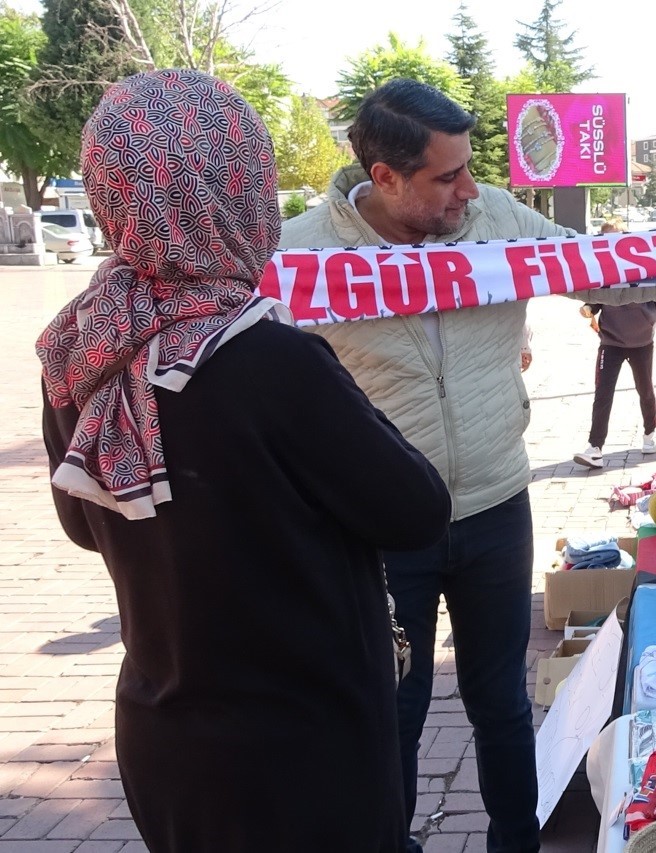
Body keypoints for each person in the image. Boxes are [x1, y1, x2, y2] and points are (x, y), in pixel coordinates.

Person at [36, 70, 450, 852]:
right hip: (300, 753)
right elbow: (415, 508)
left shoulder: (82, 347)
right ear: (234, 189)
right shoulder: (268, 357)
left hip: (166, 740)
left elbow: (85, 525)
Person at [281, 78, 572, 853]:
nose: (468, 188)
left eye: (469, 167)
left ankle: (516, 842)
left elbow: (609, 270)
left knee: (502, 703)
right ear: (385, 177)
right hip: (382, 528)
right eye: (447, 176)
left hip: (496, 507)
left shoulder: (499, 219)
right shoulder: (301, 251)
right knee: (393, 711)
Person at [576, 219, 656, 467]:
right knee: (603, 392)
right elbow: (596, 297)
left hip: (642, 341)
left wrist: (650, 317)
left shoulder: (643, 266)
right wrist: (589, 308)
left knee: (645, 389)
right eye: (607, 238)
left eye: (618, 237)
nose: (613, 242)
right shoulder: (600, 269)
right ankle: (595, 446)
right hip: (611, 341)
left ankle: (649, 434)